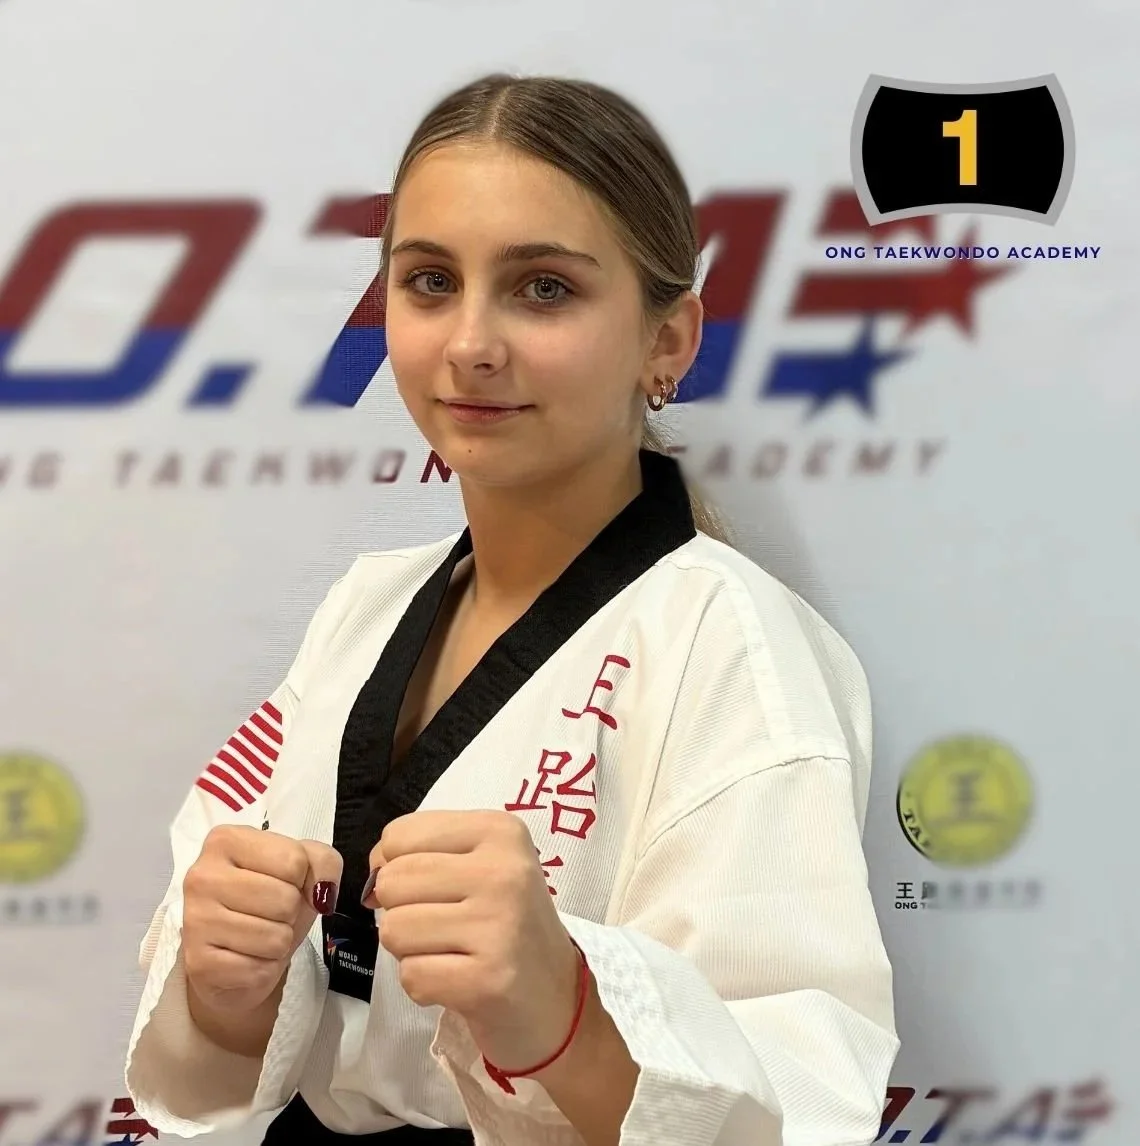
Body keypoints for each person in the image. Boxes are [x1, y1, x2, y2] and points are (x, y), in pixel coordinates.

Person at [123, 73, 899, 1146]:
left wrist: (563, 1011)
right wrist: (224, 985)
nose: (471, 344)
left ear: (667, 342)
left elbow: (803, 1099)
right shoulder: (367, 603)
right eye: (430, 281)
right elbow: (242, 1021)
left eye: (543, 289)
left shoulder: (737, 652)